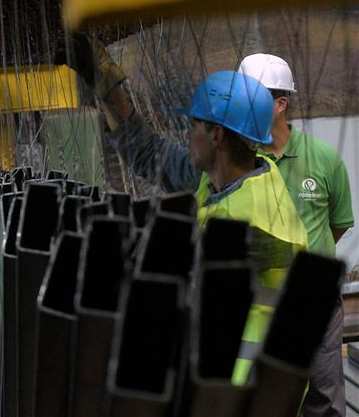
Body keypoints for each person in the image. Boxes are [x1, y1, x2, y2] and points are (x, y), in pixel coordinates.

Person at [57, 35, 308, 384]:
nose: (188, 135)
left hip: (244, 388)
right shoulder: (226, 176)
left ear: (217, 135)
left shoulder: (247, 218)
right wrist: (107, 86)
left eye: (192, 126)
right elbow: (150, 153)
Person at [239, 53, 354, 417]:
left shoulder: (323, 159)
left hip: (314, 300)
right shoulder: (238, 161)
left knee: (323, 396)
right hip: (257, 304)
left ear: (279, 104)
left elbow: (338, 223)